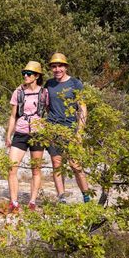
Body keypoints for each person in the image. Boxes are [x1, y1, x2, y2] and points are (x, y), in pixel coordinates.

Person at [45, 52, 94, 203]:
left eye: (60, 66)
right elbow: (48, 106)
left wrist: (79, 132)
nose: (57, 69)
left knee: (76, 165)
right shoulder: (49, 84)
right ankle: (62, 199)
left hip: (71, 129)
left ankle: (86, 197)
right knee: (57, 164)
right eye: (54, 66)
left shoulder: (75, 83)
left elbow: (83, 108)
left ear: (65, 67)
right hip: (54, 130)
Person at [5, 61, 48, 212]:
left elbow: (49, 112)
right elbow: (13, 116)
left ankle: (32, 202)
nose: (25, 76)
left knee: (35, 170)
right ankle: (14, 202)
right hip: (21, 133)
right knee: (11, 168)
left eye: (29, 74)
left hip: (38, 134)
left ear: (37, 76)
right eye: (24, 73)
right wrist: (8, 135)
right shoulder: (18, 92)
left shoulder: (44, 93)